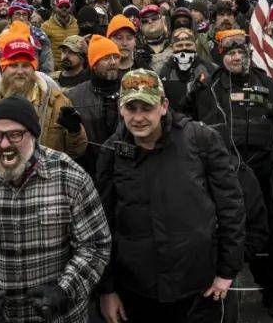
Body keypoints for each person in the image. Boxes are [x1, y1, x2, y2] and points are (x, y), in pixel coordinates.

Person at [0, 96, 110, 323]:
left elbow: (95, 245)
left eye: (14, 135)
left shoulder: (70, 177)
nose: (4, 144)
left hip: (61, 317)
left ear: (33, 135)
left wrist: (64, 290)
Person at [97, 70, 244, 323]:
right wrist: (107, 290)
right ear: (121, 109)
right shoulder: (112, 151)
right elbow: (102, 225)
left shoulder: (201, 139)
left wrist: (226, 271)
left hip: (198, 287)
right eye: (131, 108)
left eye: (147, 107)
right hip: (137, 289)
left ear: (164, 105)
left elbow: (231, 207)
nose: (139, 117)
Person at [185, 27, 273, 317]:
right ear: (222, 56)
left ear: (248, 54)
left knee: (265, 229)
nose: (236, 57)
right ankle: (213, 284)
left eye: (241, 52)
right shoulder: (209, 83)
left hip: (260, 169)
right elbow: (185, 121)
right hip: (220, 169)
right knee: (219, 227)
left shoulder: (267, 83)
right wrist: (191, 93)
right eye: (230, 52)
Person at [0, 39, 87, 168]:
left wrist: (74, 132)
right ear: (3, 68)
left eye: (25, 65)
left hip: (48, 184)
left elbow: (77, 152)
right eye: (13, 65)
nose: (20, 72)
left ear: (34, 69)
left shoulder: (57, 103)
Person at [63, 35, 121, 178]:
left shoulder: (131, 91)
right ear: (93, 64)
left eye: (116, 57)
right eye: (106, 58)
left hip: (125, 174)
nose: (113, 62)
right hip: (88, 174)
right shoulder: (74, 97)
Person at [158, 27, 213, 114]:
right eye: (179, 45)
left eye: (188, 45)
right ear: (172, 48)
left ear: (195, 45)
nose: (184, 48)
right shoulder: (165, 72)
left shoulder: (208, 68)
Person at [42, 0, 80, 69]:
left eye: (66, 6)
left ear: (70, 8)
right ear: (55, 8)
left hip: (74, 67)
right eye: (61, 6)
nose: (64, 9)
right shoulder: (46, 26)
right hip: (55, 69)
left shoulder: (77, 24)